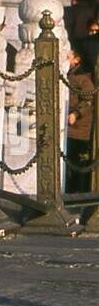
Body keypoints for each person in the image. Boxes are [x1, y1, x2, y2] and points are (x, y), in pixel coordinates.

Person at [65, 46, 95, 195]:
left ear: (77, 60)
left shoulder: (83, 78)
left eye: (69, 56)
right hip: (70, 128)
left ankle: (77, 191)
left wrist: (75, 114)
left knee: (77, 161)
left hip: (78, 129)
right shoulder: (69, 75)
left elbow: (88, 100)